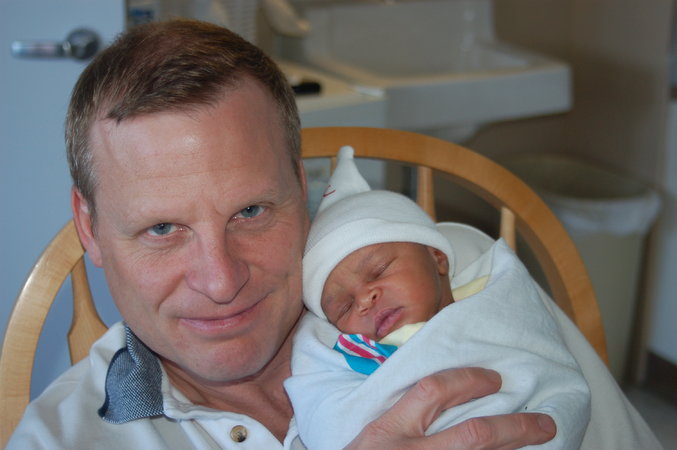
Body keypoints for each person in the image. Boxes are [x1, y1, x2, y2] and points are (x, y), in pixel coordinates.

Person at [6, 19, 565, 449]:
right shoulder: (60, 441)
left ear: (301, 188)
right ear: (90, 228)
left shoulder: (470, 279)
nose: (221, 281)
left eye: (250, 211)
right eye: (161, 228)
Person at [285, 146, 591, 449]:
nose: (365, 300)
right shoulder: (351, 357)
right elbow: (331, 422)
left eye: (378, 271)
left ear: (437, 258)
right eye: (344, 307)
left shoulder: (497, 302)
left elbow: (552, 377)